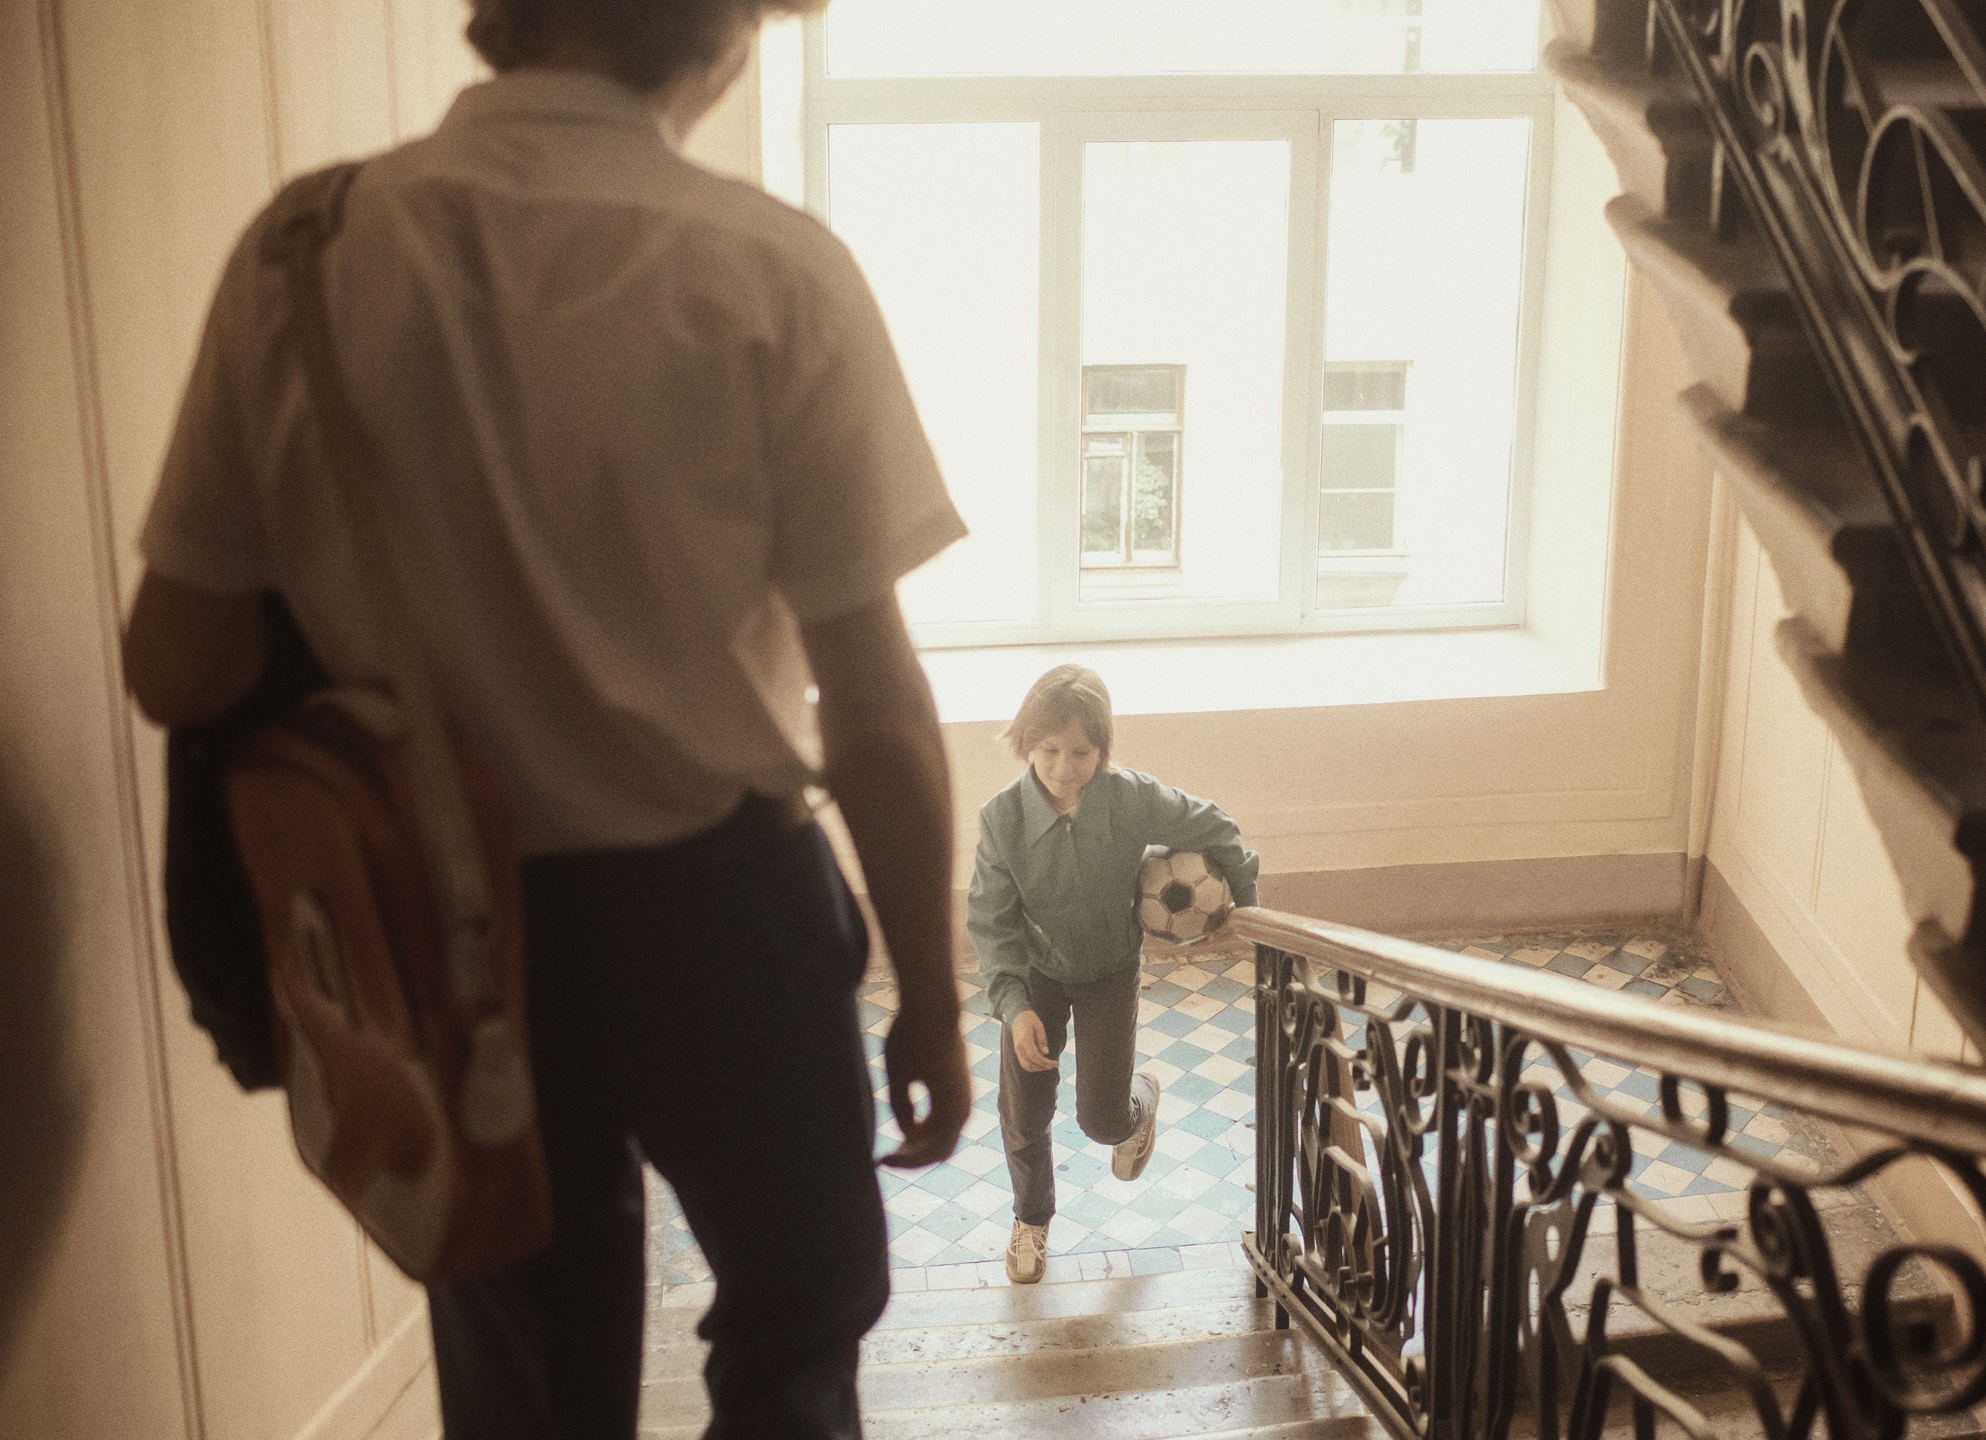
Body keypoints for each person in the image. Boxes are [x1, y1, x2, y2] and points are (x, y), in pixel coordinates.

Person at [118, 1, 972, 1435]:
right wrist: (936, 1005)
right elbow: (877, 714)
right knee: (797, 1333)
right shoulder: (774, 271)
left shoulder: (302, 254)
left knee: (530, 1387)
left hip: (448, 931)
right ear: (724, 39)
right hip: (732, 925)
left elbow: (174, 662)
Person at [966, 665, 1259, 1284]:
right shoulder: (1001, 821)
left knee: (1100, 1121)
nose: (1065, 766)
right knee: (1024, 1112)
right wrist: (1014, 1007)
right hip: (1035, 979)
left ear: (1102, 750)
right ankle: (1032, 1218)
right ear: (1026, 744)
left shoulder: (1129, 798)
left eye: (1082, 751)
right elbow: (993, 924)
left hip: (1108, 974)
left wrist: (1247, 903)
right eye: (1049, 750)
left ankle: (1141, 1105)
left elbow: (1216, 826)